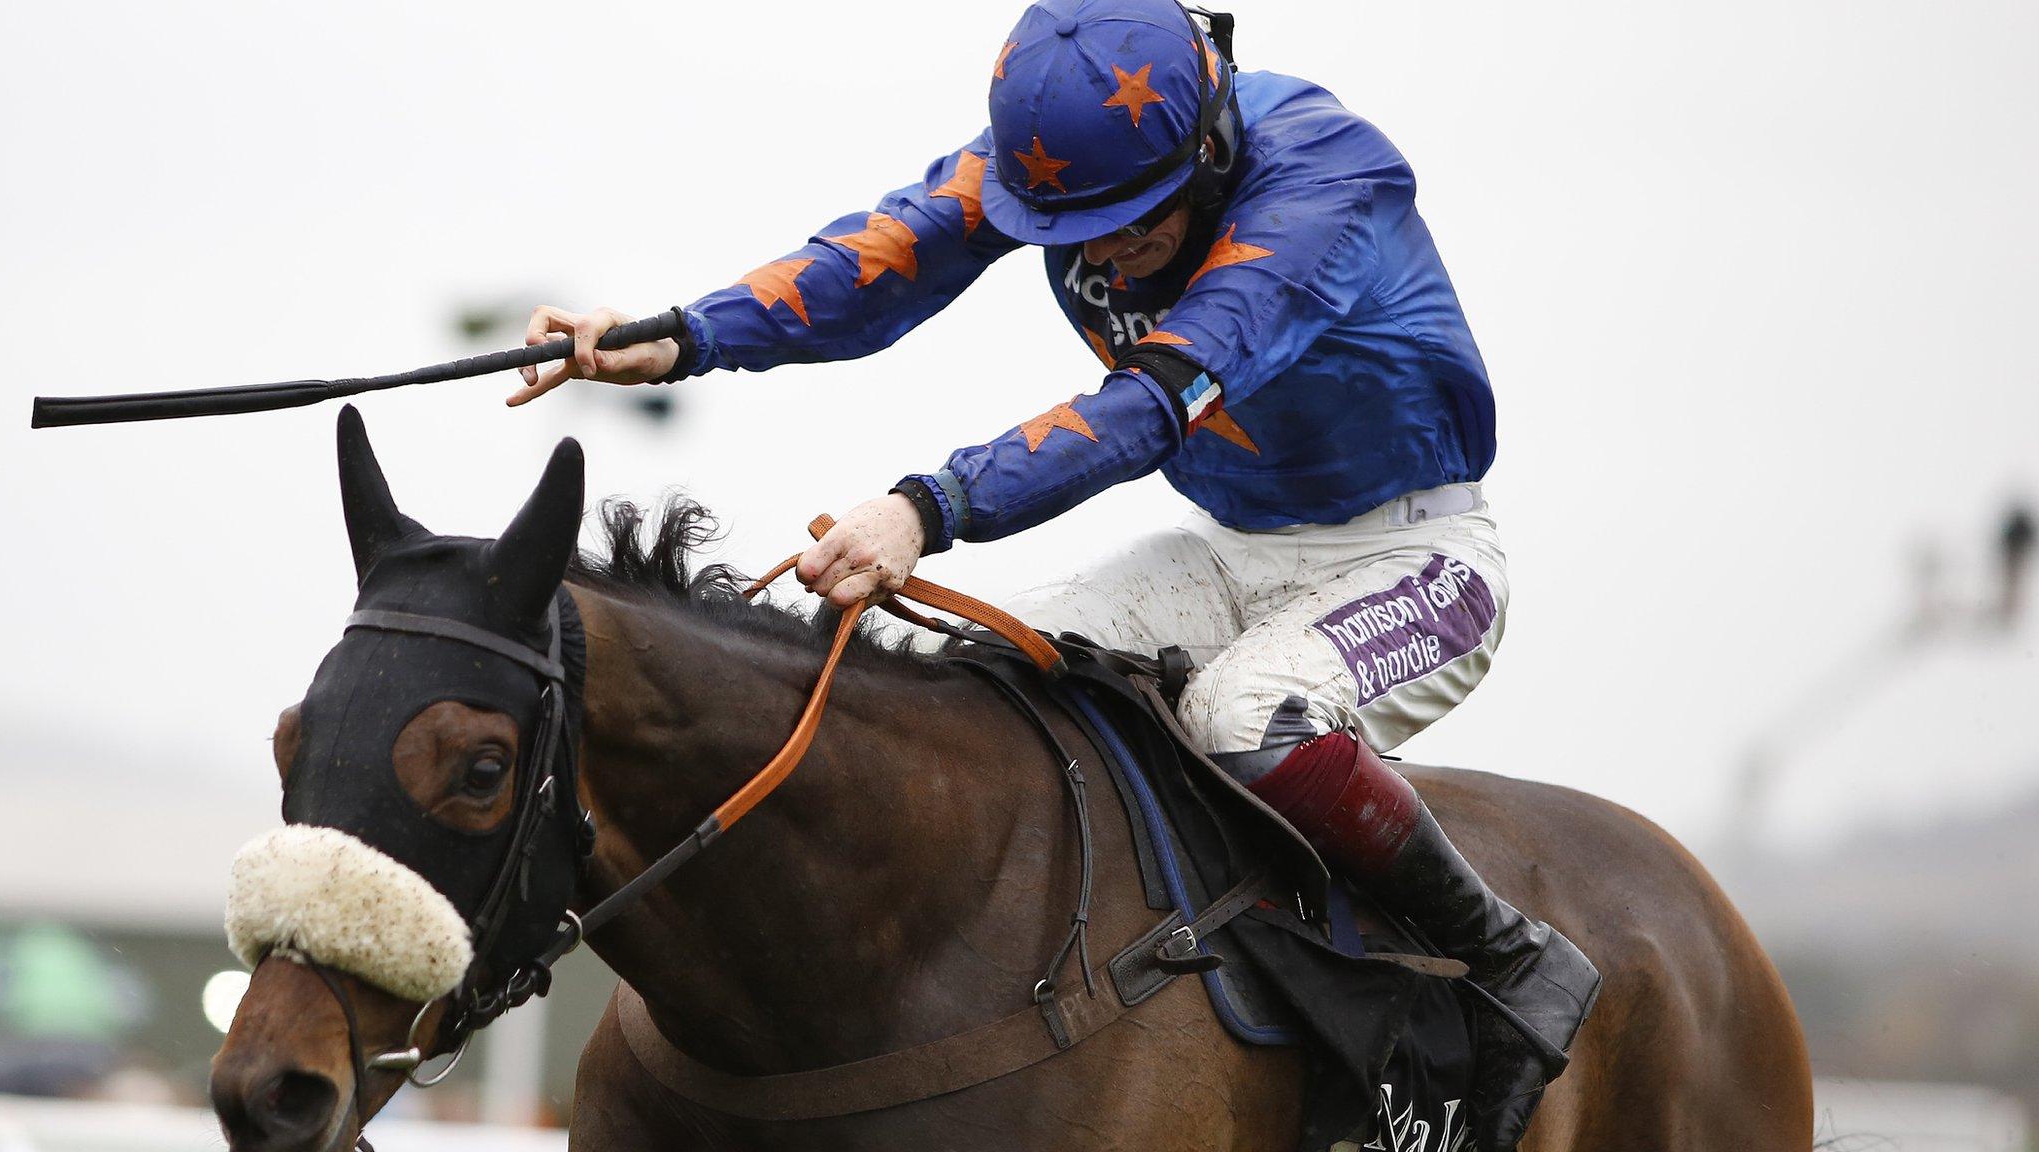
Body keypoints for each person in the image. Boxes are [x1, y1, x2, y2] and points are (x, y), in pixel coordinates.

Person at [511, 0, 1596, 1140]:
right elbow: (884, 258)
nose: (1102, 251)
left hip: (1415, 556)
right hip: (1226, 551)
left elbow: (1144, 409)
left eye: (1133, 222)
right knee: (953, 663)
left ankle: (1509, 958)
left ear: (1211, 143)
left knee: (1241, 715)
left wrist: (927, 508)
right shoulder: (1084, 152)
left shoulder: (1327, 185)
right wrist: (685, 333)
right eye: (1073, 227)